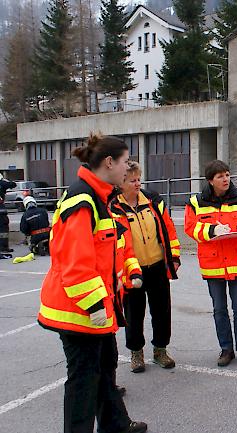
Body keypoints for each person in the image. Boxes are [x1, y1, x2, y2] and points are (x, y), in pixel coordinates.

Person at [37, 134, 147, 433]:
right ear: (109, 162)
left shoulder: (99, 197)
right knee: (84, 382)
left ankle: (116, 424)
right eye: (125, 161)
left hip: (96, 309)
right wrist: (95, 304)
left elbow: (111, 253)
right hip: (80, 312)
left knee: (105, 368)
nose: (128, 169)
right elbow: (75, 263)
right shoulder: (83, 200)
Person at [184, 160, 237, 368]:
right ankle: (226, 349)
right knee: (219, 309)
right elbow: (190, 228)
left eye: (227, 174)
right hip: (214, 265)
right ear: (210, 181)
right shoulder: (195, 203)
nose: (226, 179)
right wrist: (211, 231)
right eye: (220, 176)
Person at [111, 161, 181, 373]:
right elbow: (117, 244)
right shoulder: (114, 207)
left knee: (162, 311)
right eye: (132, 180)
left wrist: (174, 258)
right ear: (121, 183)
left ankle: (160, 350)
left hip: (158, 266)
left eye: (139, 179)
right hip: (133, 270)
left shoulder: (153, 200)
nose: (137, 183)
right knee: (134, 314)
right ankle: (136, 353)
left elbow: (169, 230)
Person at [0, 172, 17, 257]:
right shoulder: (1, 183)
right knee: (3, 229)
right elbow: (12, 184)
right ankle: (3, 247)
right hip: (1, 211)